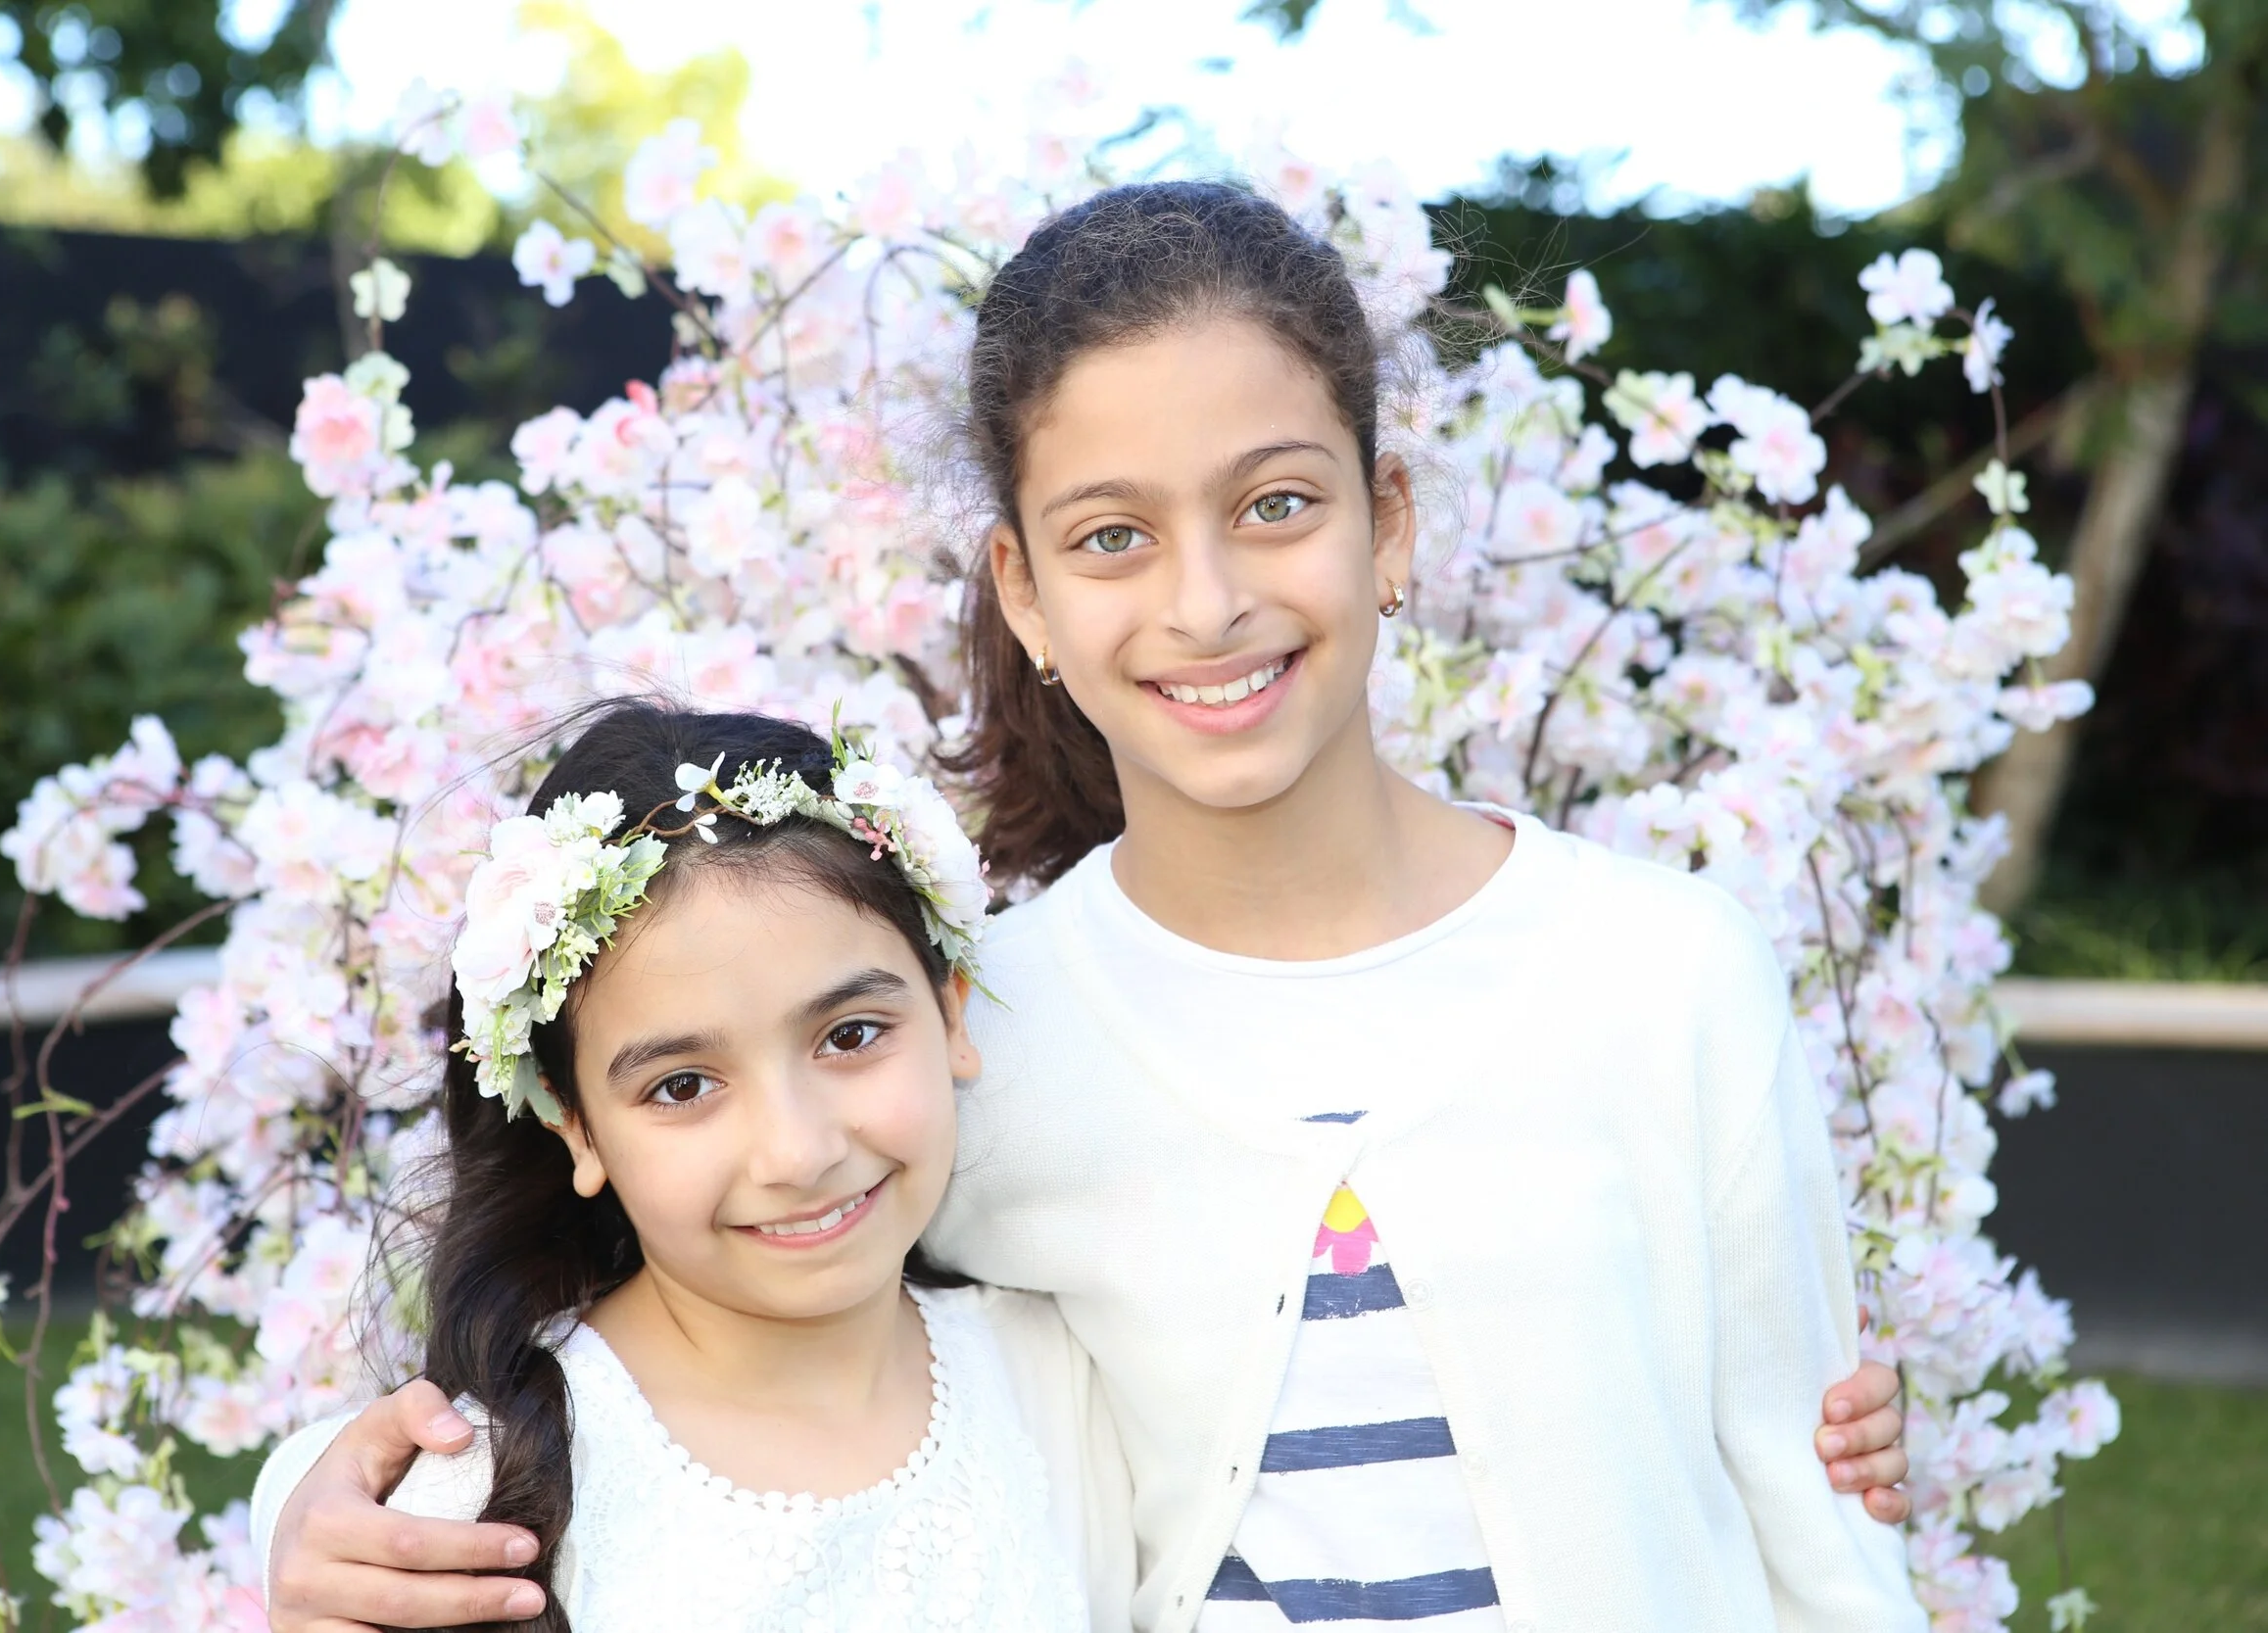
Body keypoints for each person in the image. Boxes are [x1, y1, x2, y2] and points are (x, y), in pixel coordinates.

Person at [262, 181, 1919, 1633]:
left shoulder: (1667, 975)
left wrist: (1864, 1445)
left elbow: (1815, 1501)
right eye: (1112, 535)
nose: (1206, 601)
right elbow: (716, 1351)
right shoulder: (972, 1038)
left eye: (1277, 502)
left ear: (1388, 521)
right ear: (1026, 595)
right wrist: (320, 1496)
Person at [250, 701, 1132, 1631]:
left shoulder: (1057, 1375)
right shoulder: (477, 1502)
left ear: (952, 1015)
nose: (798, 1151)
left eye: (851, 1034)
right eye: (682, 1087)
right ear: (574, 1123)